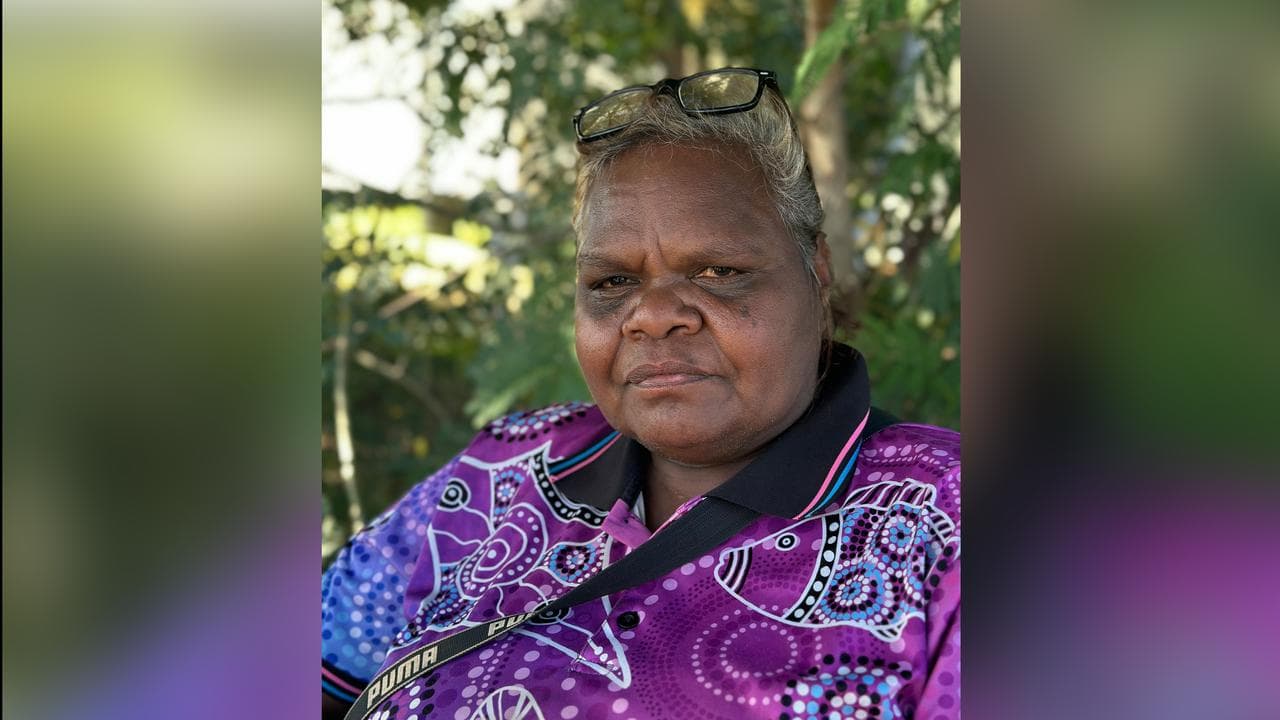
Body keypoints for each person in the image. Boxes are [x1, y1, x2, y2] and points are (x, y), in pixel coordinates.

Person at [322, 67, 960, 720]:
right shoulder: (502, 473)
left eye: (719, 272)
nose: (652, 315)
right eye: (612, 282)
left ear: (815, 270)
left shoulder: (949, 522)